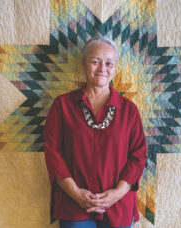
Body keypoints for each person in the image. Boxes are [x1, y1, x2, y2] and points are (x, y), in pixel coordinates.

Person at [44, 36, 147, 228]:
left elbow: (138, 156)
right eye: (95, 62)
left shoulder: (129, 110)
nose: (102, 69)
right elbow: (53, 153)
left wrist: (116, 193)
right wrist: (75, 193)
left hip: (118, 205)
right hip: (73, 204)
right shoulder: (62, 106)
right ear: (84, 65)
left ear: (115, 68)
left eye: (109, 63)